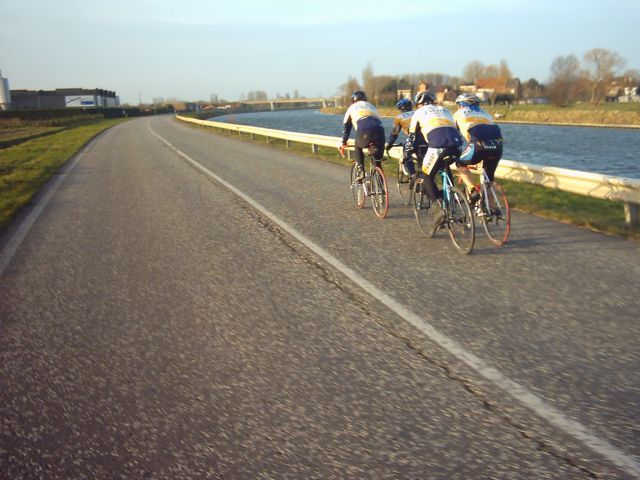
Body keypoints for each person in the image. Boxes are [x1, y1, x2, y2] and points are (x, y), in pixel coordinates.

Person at [403, 91, 463, 230]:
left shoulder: (418, 112)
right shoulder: (445, 110)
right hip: (456, 146)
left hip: (437, 146)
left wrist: (406, 155)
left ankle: (438, 210)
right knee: (445, 167)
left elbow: (412, 139)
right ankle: (450, 201)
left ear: (418, 104)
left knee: (426, 176)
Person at [453, 92, 504, 205]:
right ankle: (489, 208)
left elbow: (453, 134)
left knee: (460, 162)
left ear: (461, 104)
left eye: (459, 105)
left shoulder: (459, 113)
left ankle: (472, 190)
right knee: (489, 178)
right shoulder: (486, 114)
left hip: (478, 145)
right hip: (497, 146)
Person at [340, 91, 386, 181]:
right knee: (377, 163)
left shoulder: (352, 107)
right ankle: (382, 189)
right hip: (380, 132)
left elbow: (346, 128)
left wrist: (343, 142)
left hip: (365, 132)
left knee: (358, 146)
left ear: (353, 100)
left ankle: (361, 170)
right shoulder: (371, 106)